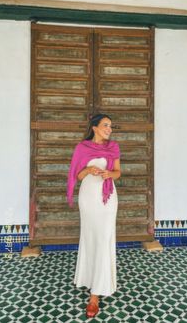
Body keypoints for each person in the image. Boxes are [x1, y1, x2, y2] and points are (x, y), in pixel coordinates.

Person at [67, 113, 121, 318]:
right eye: (105, 125)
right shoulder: (82, 147)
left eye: (111, 125)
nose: (109, 128)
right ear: (95, 128)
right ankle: (90, 280)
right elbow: (77, 175)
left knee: (104, 238)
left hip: (107, 197)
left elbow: (118, 172)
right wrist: (88, 169)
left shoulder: (113, 147)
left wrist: (110, 174)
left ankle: (95, 295)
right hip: (88, 197)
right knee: (90, 238)